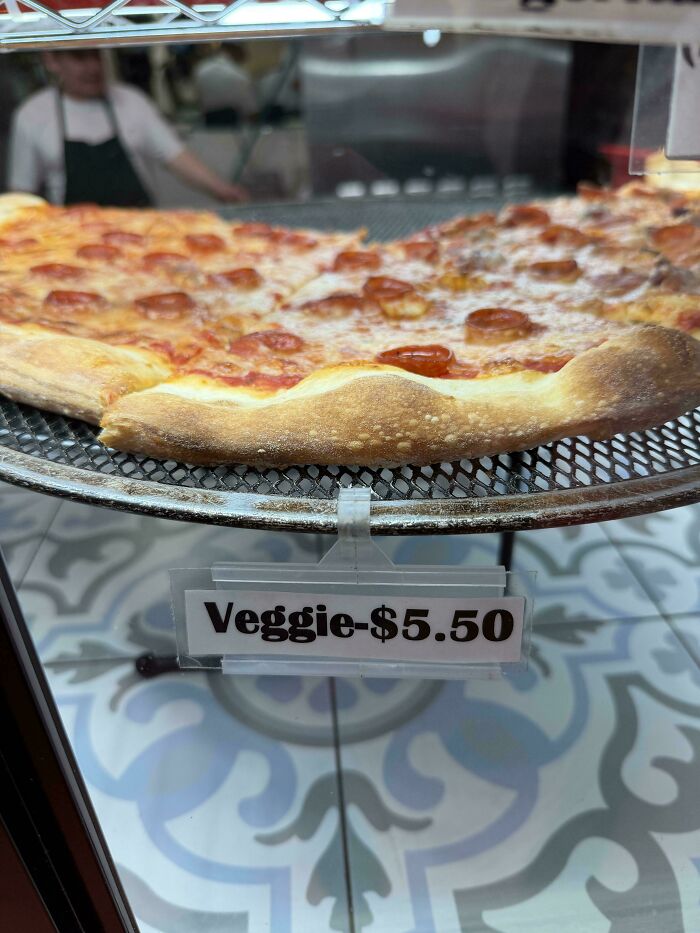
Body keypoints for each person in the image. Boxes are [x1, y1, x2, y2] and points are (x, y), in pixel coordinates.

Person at [7, 49, 247, 207]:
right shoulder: (32, 115)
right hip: (73, 240)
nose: (93, 67)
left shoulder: (131, 101)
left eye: (96, 56)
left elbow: (175, 156)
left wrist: (223, 190)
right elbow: (22, 194)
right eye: (80, 58)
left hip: (143, 230)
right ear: (52, 61)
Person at [193, 43, 257, 127]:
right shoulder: (239, 74)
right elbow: (251, 112)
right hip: (236, 130)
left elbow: (199, 101)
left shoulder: (201, 68)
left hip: (209, 129)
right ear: (237, 51)